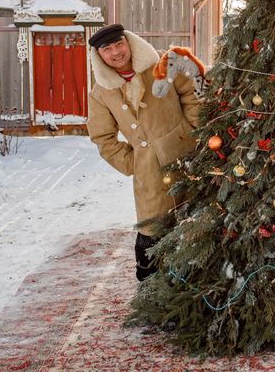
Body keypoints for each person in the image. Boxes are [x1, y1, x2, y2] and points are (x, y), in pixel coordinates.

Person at [87, 23, 204, 281]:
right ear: (99, 55)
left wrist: (192, 130)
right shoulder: (101, 93)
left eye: (119, 44)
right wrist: (133, 162)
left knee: (193, 219)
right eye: (107, 49)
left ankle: (195, 280)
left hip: (187, 155)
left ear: (128, 42)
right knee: (152, 226)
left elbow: (192, 92)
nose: (116, 52)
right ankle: (152, 284)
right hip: (148, 170)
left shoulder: (162, 65)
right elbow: (102, 137)